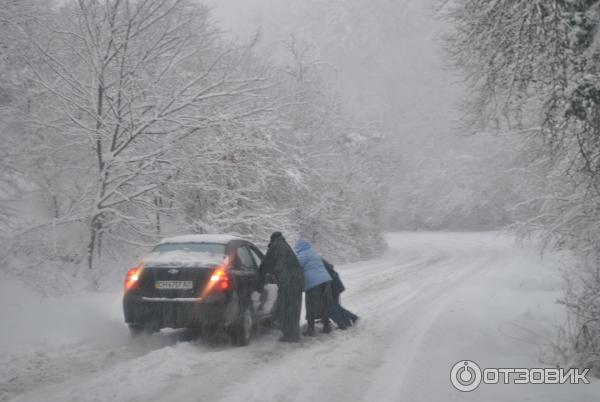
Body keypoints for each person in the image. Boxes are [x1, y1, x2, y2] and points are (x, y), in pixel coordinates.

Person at [259, 232, 304, 342]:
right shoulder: (285, 246)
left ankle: (289, 335)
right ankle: (294, 334)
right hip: (298, 278)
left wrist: (259, 276)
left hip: (288, 278)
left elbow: (266, 264)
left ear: (272, 239)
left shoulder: (275, 246)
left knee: (286, 306)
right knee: (294, 307)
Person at [294, 238, 334, 336]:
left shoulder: (302, 254)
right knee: (323, 304)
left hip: (313, 283)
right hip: (325, 281)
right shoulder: (313, 252)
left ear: (299, 247)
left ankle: (311, 330)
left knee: (310, 305)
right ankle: (326, 327)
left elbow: (296, 267)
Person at [322, 259, 358, 329]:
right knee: (336, 306)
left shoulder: (325, 270)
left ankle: (353, 317)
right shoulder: (329, 269)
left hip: (334, 289)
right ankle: (348, 322)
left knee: (334, 307)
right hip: (336, 288)